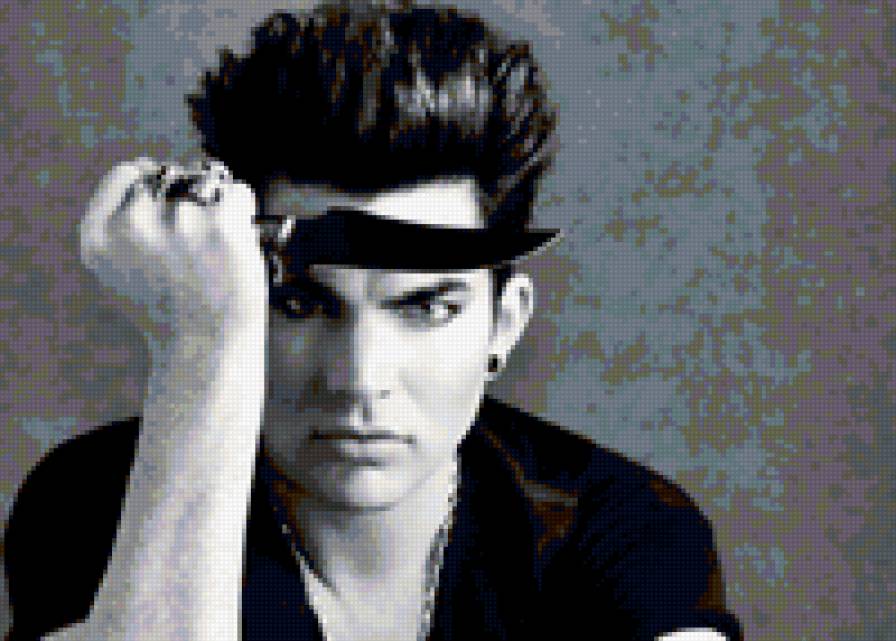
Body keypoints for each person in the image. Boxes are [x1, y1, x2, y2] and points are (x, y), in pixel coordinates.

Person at [3, 2, 744, 640]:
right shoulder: (100, 499)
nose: (358, 379)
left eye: (426, 308)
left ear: (504, 325)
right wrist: (199, 346)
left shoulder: (622, 526)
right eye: (299, 305)